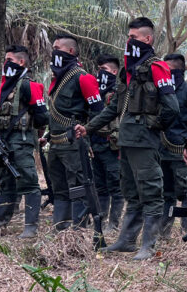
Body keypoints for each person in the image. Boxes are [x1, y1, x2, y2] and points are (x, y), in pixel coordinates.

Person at [77, 17, 180, 261]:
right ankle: (127, 240)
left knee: (151, 191)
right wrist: (89, 128)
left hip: (144, 141)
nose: (129, 41)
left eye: (134, 37)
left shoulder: (157, 67)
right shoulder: (129, 71)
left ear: (148, 39)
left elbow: (172, 108)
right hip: (125, 140)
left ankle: (148, 245)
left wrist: (152, 125)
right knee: (131, 191)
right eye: (128, 36)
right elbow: (113, 109)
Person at [0, 45, 49, 238]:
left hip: (21, 142)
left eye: (9, 60)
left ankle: (30, 227)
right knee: (6, 184)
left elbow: (42, 116)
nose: (6, 63)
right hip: (4, 143)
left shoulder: (29, 85)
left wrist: (34, 133)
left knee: (28, 183)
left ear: (21, 62)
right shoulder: (6, 87)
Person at [44, 34, 103, 230]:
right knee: (59, 189)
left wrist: (85, 130)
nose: (53, 52)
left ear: (70, 51)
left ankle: (79, 231)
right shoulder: (57, 80)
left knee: (78, 188)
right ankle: (60, 229)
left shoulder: (83, 77)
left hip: (74, 145)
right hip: (55, 144)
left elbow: (99, 112)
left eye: (57, 48)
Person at [159, 52, 187, 241]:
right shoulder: (159, 91)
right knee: (164, 194)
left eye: (168, 70)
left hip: (182, 153)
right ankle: (163, 234)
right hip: (160, 152)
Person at [91, 55, 124, 232]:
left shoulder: (120, 92)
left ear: (114, 71)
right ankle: (101, 222)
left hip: (112, 147)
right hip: (95, 145)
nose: (99, 73)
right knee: (100, 187)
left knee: (115, 186)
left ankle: (114, 224)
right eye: (98, 69)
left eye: (103, 69)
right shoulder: (93, 92)